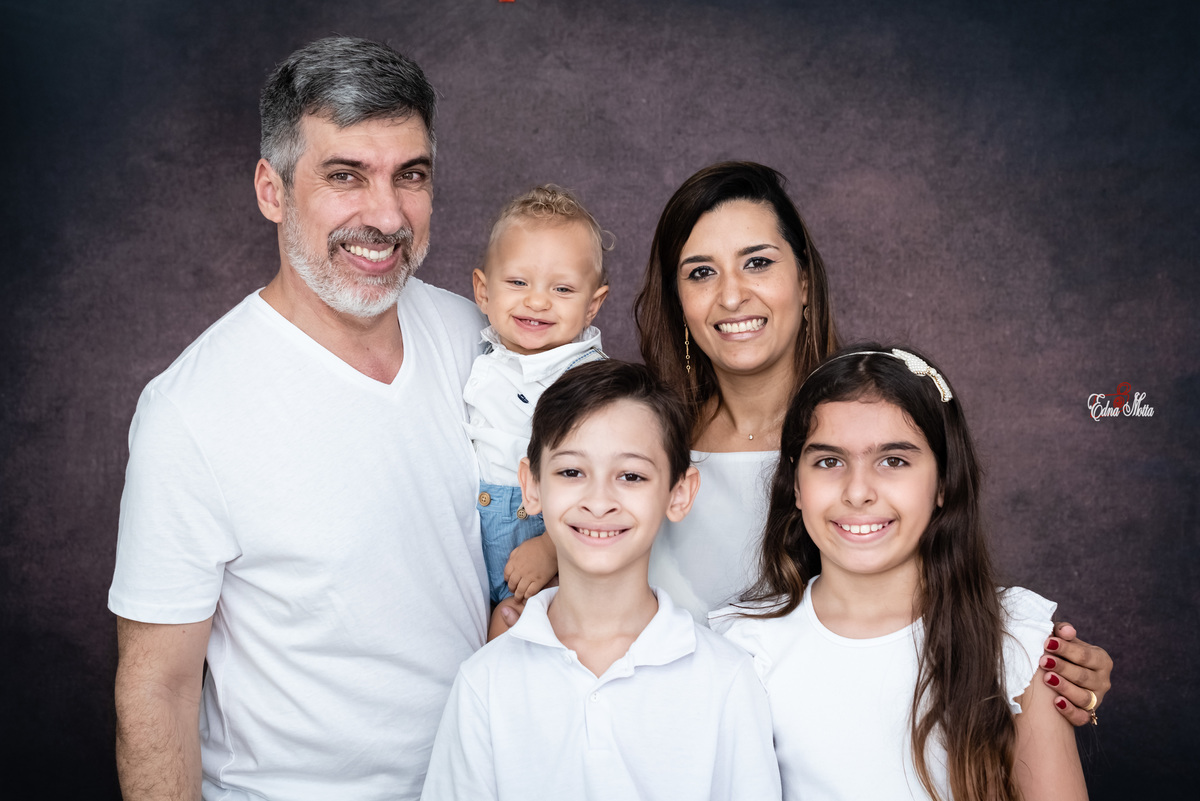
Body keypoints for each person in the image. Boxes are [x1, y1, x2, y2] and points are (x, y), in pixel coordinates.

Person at [108, 37, 487, 800]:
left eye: (410, 175)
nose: (387, 215)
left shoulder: (474, 337)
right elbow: (157, 690)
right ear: (271, 190)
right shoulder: (189, 412)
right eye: (345, 176)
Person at [633, 161, 1112, 724]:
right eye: (700, 273)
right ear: (677, 298)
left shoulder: (879, 430)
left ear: (804, 281)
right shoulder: (639, 446)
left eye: (757, 262)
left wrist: (1039, 666)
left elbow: (946, 582)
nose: (732, 296)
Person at [712, 345, 1088, 800]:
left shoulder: (1012, 636)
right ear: (795, 484)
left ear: (944, 481)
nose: (858, 492)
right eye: (829, 461)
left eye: (893, 461)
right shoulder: (744, 645)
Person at [421, 360, 782, 800]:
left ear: (679, 493)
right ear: (531, 486)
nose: (599, 501)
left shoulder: (727, 679)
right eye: (572, 472)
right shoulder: (485, 682)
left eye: (631, 476)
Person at [464, 185, 609, 617]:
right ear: (483, 291)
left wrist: (551, 548)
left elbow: (604, 480)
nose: (538, 301)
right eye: (517, 282)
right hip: (479, 554)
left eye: (562, 289)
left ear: (592, 306)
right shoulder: (483, 357)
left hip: (557, 554)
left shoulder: (589, 380)